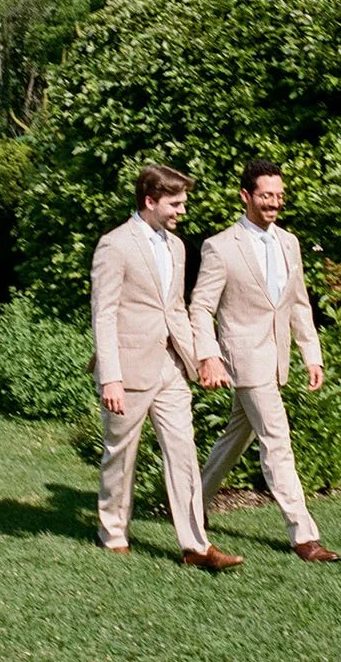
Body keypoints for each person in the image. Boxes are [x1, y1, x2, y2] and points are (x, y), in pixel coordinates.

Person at [92, 163, 243, 571]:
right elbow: (103, 315)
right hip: (127, 368)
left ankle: (196, 545)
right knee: (120, 454)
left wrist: (202, 359)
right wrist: (111, 378)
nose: (182, 211)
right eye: (175, 204)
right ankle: (113, 531)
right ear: (149, 201)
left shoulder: (177, 247)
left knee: (183, 452)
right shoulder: (114, 245)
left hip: (171, 367)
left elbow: (175, 308)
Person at [191, 158, 340, 563]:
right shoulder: (220, 247)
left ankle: (191, 506)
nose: (274, 203)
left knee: (235, 438)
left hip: (276, 358)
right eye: (265, 196)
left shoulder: (289, 242)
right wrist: (209, 355)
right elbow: (201, 307)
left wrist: (311, 353)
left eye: (279, 196)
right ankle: (304, 536)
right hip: (243, 357)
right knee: (277, 440)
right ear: (246, 196)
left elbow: (297, 302)